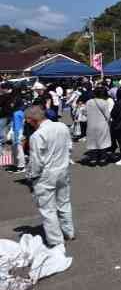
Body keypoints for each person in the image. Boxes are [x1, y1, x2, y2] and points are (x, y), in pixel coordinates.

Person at [25, 105, 75, 247]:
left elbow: (36, 161)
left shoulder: (37, 136)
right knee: (64, 203)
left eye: (27, 120)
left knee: (48, 210)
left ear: (32, 119)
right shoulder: (62, 127)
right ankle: (68, 232)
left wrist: (31, 177)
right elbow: (69, 147)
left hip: (46, 174)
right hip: (63, 169)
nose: (27, 122)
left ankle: (55, 240)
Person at [85, 87, 114, 162]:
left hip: (91, 124)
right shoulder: (104, 102)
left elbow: (85, 113)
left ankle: (93, 158)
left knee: (93, 142)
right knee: (103, 141)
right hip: (102, 125)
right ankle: (103, 158)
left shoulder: (89, 102)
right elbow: (107, 116)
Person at [0, 82, 14, 148]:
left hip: (4, 116)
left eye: (2, 88)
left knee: (2, 129)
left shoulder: (5, 96)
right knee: (6, 130)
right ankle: (5, 142)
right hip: (9, 115)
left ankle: (2, 143)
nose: (0, 89)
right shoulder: (11, 95)